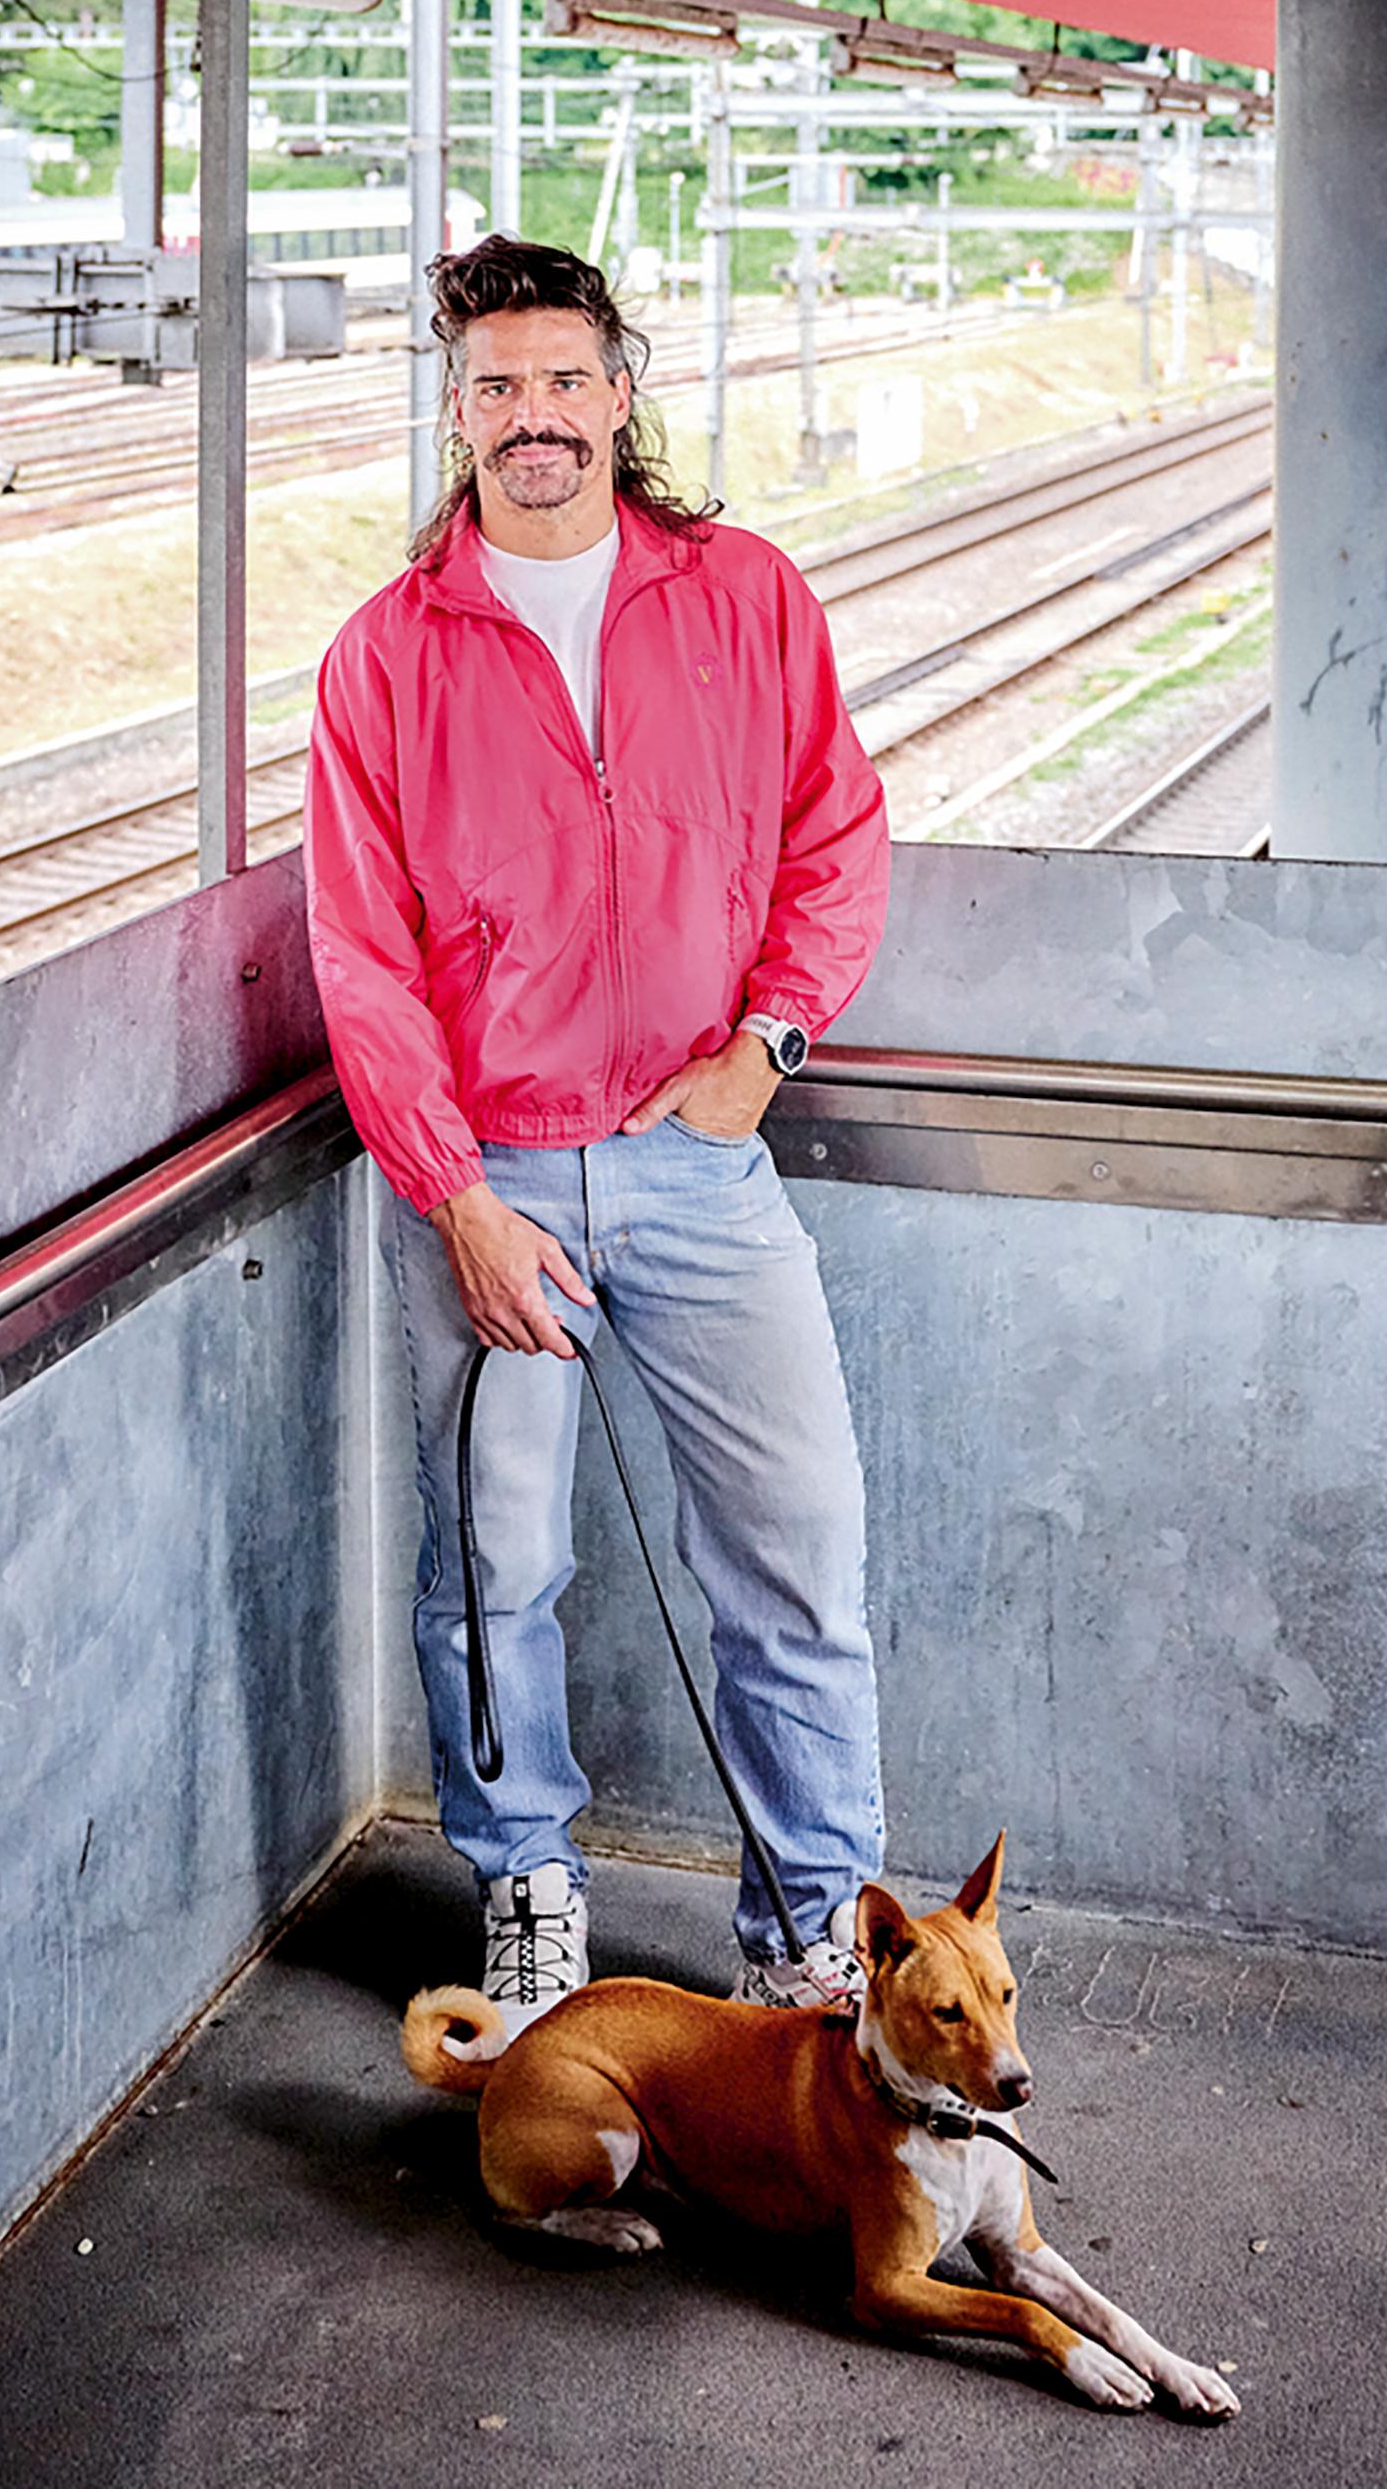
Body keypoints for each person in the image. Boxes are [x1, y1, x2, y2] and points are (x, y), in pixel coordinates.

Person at [303, 235, 890, 2035]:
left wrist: (765, 1050)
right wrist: (454, 1195)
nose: (532, 417)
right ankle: (529, 1888)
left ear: (623, 395)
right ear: (455, 407)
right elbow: (362, 954)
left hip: (700, 1166)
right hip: (486, 1180)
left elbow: (836, 830)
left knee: (795, 1555)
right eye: (496, 386)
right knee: (498, 1573)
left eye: (565, 381)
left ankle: (813, 1937)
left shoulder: (742, 595)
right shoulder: (386, 657)